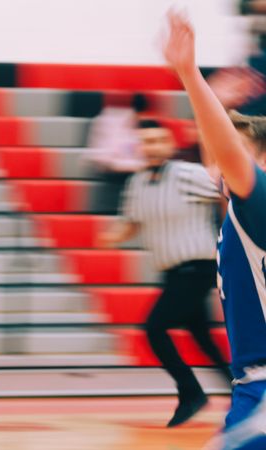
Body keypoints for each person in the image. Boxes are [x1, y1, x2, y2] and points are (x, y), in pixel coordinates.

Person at [164, 11, 266, 449]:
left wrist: (190, 75)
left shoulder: (259, 201)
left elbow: (226, 149)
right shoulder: (240, 213)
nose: (218, 161)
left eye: (234, 153)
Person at [99, 118, 232, 428]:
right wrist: (112, 236)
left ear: (170, 145)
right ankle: (239, 389)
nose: (152, 147)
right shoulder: (136, 183)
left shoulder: (189, 174)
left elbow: (229, 192)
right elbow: (132, 222)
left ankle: (191, 392)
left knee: (154, 328)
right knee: (200, 335)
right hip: (172, 272)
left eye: (158, 140)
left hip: (198, 266)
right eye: (146, 141)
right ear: (137, 147)